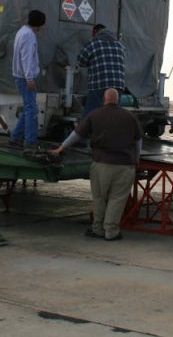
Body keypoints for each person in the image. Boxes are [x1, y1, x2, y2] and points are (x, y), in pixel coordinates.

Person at [50, 88, 141, 241]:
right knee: (117, 198)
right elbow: (138, 141)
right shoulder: (130, 116)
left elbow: (77, 134)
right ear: (117, 100)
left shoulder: (95, 114)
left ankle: (97, 228)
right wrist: (136, 159)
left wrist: (61, 147)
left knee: (99, 198)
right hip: (124, 165)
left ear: (104, 100)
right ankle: (111, 231)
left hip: (101, 165)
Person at [11, 9, 45, 153]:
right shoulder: (29, 36)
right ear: (39, 24)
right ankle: (30, 142)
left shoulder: (21, 32)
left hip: (20, 76)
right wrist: (29, 78)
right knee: (32, 109)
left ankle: (15, 137)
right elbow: (27, 58)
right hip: (25, 78)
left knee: (28, 108)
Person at [76, 23, 126, 120]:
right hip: (118, 85)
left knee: (91, 113)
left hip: (99, 84)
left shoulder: (93, 43)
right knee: (113, 114)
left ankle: (87, 133)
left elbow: (81, 61)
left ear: (94, 32)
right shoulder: (119, 45)